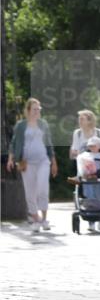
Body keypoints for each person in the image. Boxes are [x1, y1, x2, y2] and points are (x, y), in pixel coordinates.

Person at [6, 98, 57, 232]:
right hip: (26, 163)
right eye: (34, 109)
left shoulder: (43, 124)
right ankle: (35, 219)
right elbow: (14, 143)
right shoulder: (21, 125)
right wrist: (11, 159)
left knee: (42, 188)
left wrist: (53, 162)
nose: (37, 111)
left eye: (38, 109)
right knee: (30, 193)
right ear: (28, 111)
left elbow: (49, 144)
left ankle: (44, 219)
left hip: (43, 161)